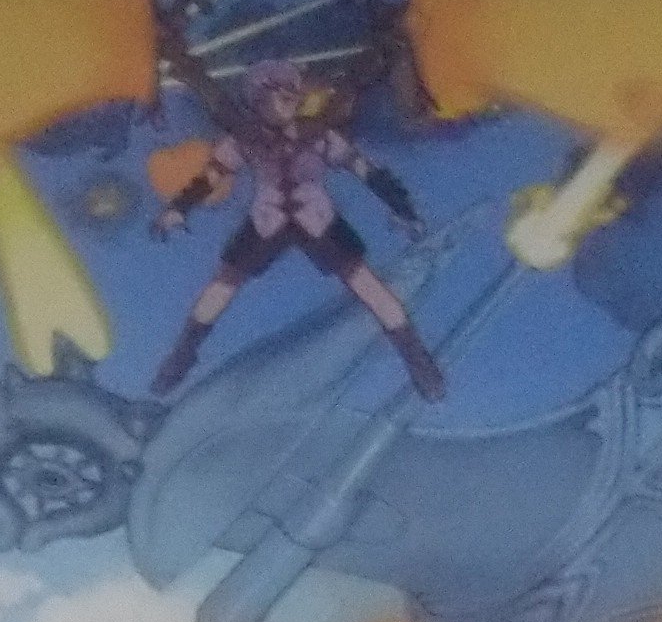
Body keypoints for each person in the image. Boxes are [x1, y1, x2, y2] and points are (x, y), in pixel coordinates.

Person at [147, 58, 445, 405]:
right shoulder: (244, 140)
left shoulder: (318, 136)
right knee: (220, 287)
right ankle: (180, 359)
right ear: (258, 101)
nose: (287, 102)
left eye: (291, 95)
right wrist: (179, 208)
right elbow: (211, 176)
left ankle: (420, 364)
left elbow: (364, 169)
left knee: (369, 287)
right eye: (276, 96)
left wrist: (401, 206)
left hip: (318, 219)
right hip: (266, 221)